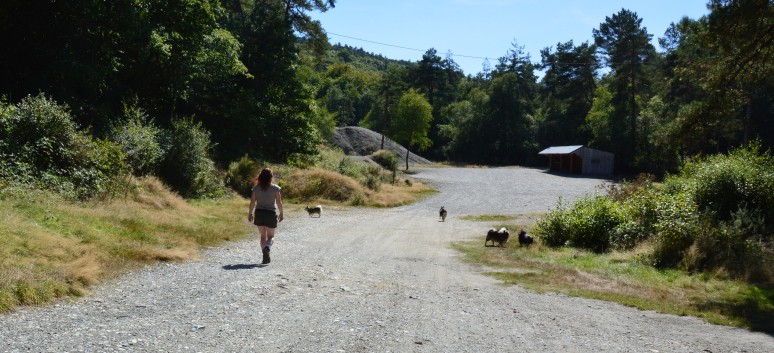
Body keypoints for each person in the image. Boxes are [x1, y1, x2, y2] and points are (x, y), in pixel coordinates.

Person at [248, 168, 284, 264]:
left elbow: (252, 202)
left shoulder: (256, 188)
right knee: (271, 236)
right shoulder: (275, 188)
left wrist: (250, 213)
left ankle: (264, 256)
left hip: (259, 213)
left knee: (263, 236)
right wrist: (281, 213)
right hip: (270, 213)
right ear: (271, 177)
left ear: (260, 177)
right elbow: (279, 202)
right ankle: (267, 248)